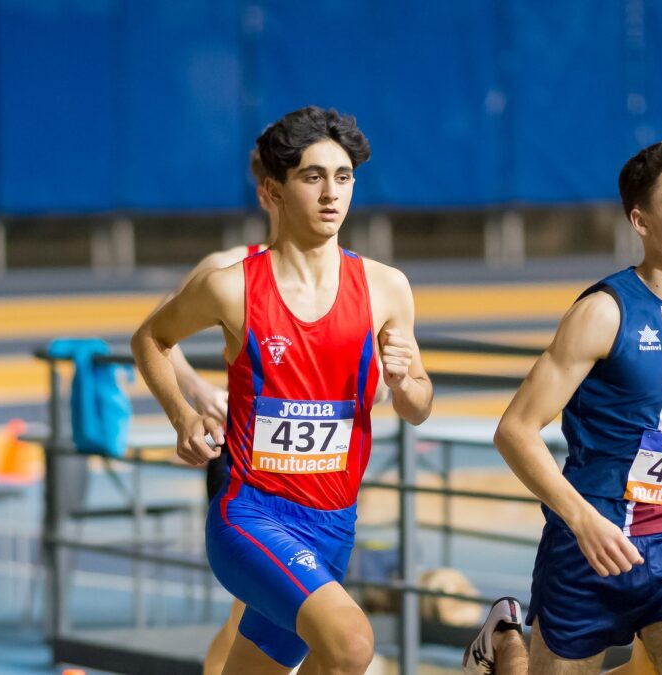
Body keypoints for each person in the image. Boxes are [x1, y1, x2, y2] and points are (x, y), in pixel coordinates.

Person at [132, 105, 433, 674]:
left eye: (343, 177)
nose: (331, 193)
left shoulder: (386, 287)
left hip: (335, 524)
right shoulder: (231, 286)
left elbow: (418, 406)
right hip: (251, 516)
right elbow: (150, 337)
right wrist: (182, 415)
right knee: (351, 644)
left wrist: (404, 384)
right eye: (313, 177)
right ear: (274, 190)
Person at [475, 137, 662, 675]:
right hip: (592, 548)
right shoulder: (604, 312)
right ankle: (505, 644)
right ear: (640, 221)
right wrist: (581, 519)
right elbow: (516, 430)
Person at [157, 148, 279, 675]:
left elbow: (376, 387)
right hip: (243, 459)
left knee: (268, 616)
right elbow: (156, 331)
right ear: (267, 194)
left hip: (320, 472)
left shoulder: (351, 276)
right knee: (254, 606)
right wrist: (198, 393)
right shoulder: (228, 266)